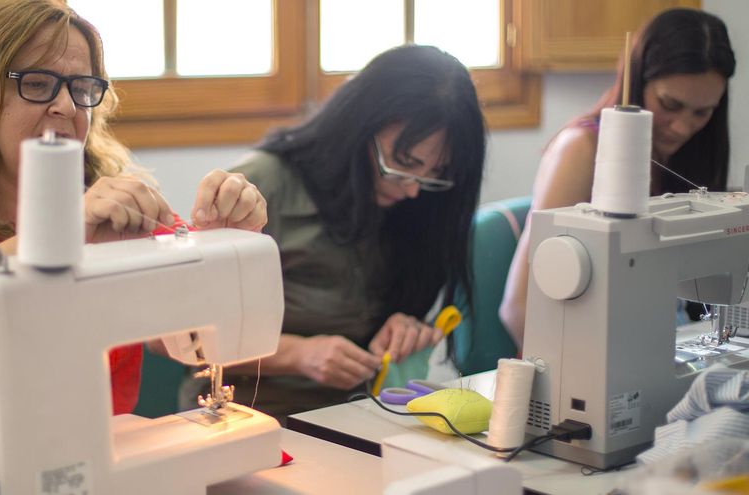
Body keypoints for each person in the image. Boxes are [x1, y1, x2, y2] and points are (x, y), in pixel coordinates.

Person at [0, 1, 266, 493]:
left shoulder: (110, 210)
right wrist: (54, 235)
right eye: (36, 83)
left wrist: (224, 240)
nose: (66, 106)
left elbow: (190, 331)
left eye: (82, 88)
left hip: (75, 474)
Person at [180, 44, 486, 421]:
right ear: (359, 127)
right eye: (404, 164)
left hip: (362, 414)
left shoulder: (419, 206)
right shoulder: (263, 188)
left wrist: (403, 331)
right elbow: (180, 334)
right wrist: (299, 355)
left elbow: (389, 327)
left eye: (436, 174)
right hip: (253, 416)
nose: (412, 189)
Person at [499, 8, 736, 351]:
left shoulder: (687, 155)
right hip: (580, 359)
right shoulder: (581, 150)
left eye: (702, 113)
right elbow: (518, 308)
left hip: (649, 348)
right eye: (670, 104)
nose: (684, 127)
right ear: (638, 81)